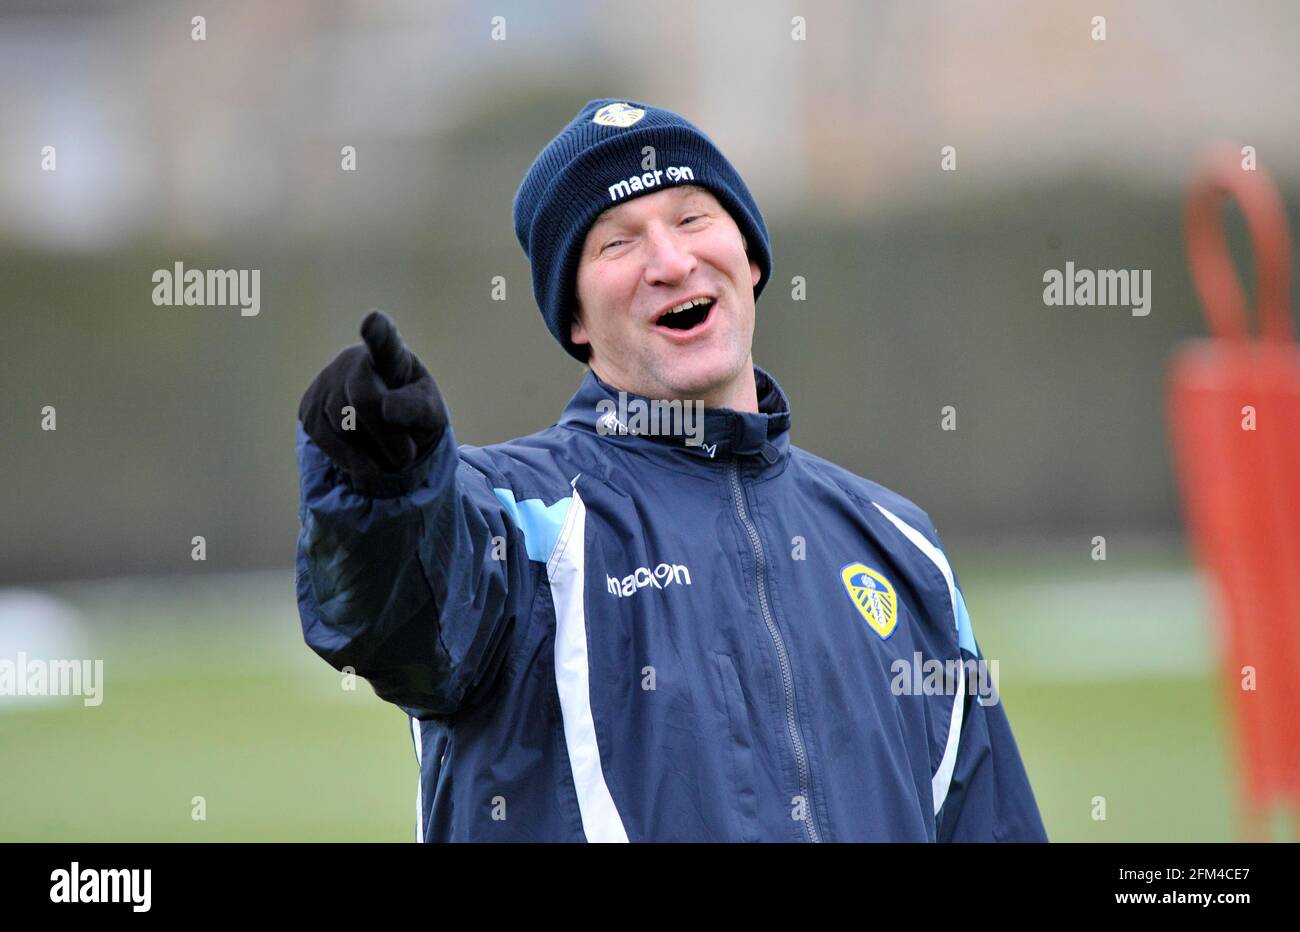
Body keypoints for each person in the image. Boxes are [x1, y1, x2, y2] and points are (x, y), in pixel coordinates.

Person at [294, 98, 1048, 842]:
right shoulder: (515, 522)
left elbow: (990, 819)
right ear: (576, 319)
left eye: (692, 219)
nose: (669, 261)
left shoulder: (898, 545)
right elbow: (395, 609)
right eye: (616, 243)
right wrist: (381, 486)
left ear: (749, 257)